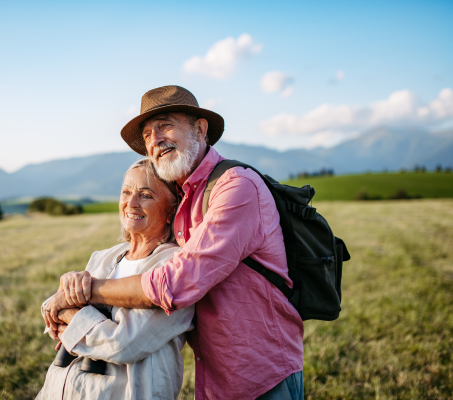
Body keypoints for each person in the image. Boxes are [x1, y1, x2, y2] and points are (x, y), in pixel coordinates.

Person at [43, 85, 305, 399]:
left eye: (166, 125)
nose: (155, 140)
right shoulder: (183, 200)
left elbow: (179, 282)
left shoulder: (236, 187)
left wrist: (86, 290)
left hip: (262, 370)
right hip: (216, 372)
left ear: (200, 129)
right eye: (148, 134)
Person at [38, 158, 194, 400]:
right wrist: (63, 295)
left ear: (171, 211)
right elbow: (51, 315)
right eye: (126, 192)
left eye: (145, 195)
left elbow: (122, 344)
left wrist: (68, 313)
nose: (131, 203)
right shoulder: (104, 257)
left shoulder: (174, 267)